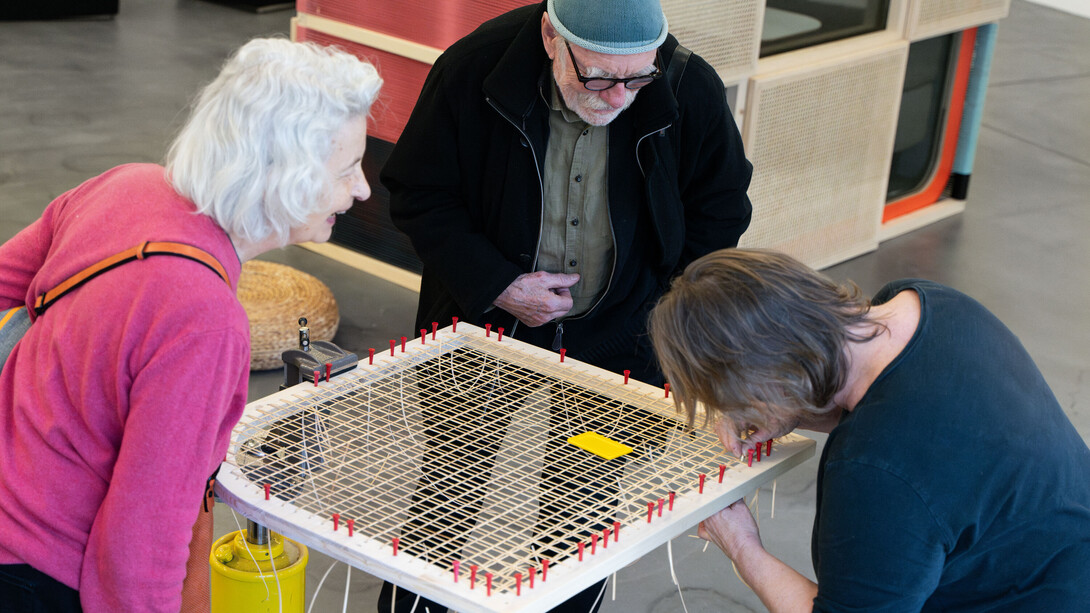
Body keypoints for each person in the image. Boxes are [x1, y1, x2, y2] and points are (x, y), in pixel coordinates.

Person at [0, 38, 382, 612]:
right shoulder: (205, 324)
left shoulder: (125, 185)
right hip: (41, 572)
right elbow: (141, 545)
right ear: (284, 176)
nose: (362, 189)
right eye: (349, 167)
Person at [648, 248, 1090, 612]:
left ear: (767, 381)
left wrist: (742, 547)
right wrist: (777, 407)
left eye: (734, 401)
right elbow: (898, 414)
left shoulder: (877, 471)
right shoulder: (926, 303)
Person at [382, 0, 752, 385]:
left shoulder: (685, 82)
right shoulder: (473, 69)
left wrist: (667, 307)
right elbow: (419, 192)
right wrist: (495, 284)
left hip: (631, 330)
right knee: (458, 444)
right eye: (598, 78)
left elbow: (721, 209)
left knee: (608, 449)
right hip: (485, 315)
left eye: (639, 79)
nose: (618, 99)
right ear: (550, 36)